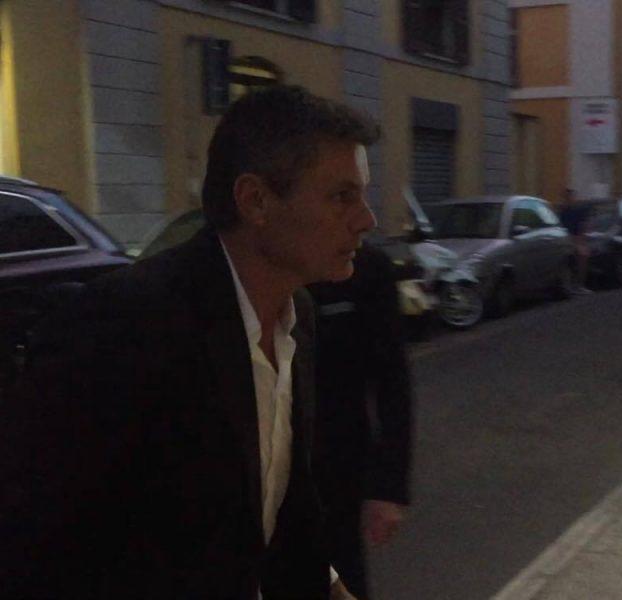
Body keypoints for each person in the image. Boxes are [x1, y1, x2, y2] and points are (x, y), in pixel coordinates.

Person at [0, 85, 378, 598]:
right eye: (342, 196)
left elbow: (279, 504)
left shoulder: (298, 318)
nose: (366, 219)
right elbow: (36, 538)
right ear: (256, 200)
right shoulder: (128, 323)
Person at [309, 241, 413, 600]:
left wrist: (387, 487)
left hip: (338, 468)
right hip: (258, 468)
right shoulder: (255, 269)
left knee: (342, 575)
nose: (364, 220)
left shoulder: (366, 269)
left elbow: (392, 381)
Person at [559, 188, 593, 294]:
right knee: (572, 260)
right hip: (566, 239)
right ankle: (572, 285)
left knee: (581, 258)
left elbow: (582, 226)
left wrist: (580, 240)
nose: (568, 199)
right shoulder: (562, 211)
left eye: (570, 197)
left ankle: (579, 285)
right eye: (566, 197)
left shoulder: (577, 210)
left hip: (576, 238)